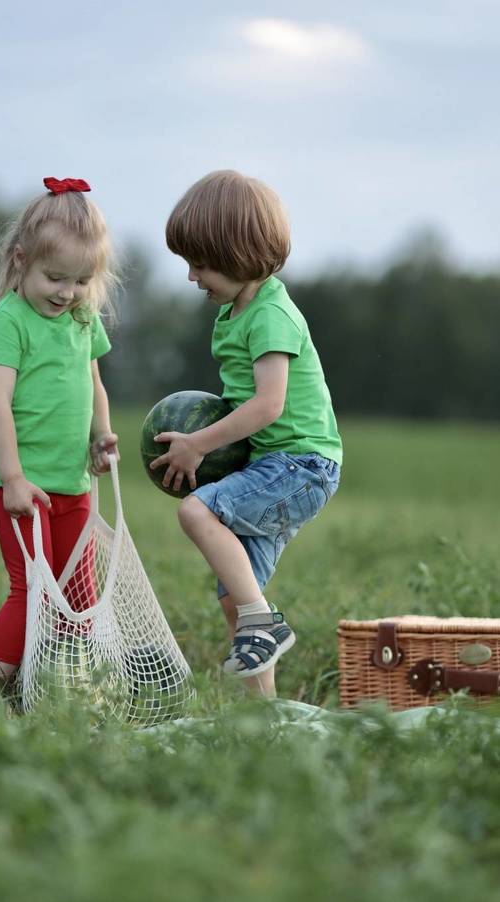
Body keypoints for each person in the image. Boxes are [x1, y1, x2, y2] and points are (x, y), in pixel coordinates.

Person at [152, 170, 342, 699]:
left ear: (240, 255)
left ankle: (266, 622)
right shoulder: (234, 313)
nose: (192, 276)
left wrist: (199, 444)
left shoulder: (271, 315)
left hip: (301, 464)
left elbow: (268, 404)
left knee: (197, 511)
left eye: (201, 264)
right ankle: (264, 718)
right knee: (237, 598)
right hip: (274, 464)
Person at [0, 176, 119, 700]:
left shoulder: (82, 321)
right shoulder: (5, 323)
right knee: (32, 592)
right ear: (20, 260)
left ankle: (59, 692)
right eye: (55, 277)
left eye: (80, 281)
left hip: (73, 486)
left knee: (78, 598)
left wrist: (101, 435)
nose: (67, 293)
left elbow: (94, 381)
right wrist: (12, 476)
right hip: (22, 487)